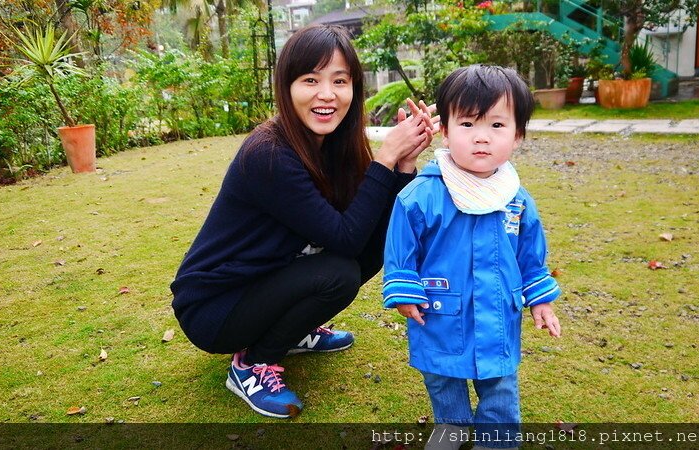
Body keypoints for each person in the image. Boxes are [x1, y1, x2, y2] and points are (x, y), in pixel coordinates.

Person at [170, 24, 436, 419]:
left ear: (354, 89)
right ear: (286, 86)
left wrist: (404, 164)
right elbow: (343, 240)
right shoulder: (269, 153)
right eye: (311, 79)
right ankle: (251, 365)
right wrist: (384, 160)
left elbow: (370, 227)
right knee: (340, 271)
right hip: (214, 307)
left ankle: (292, 330)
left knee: (375, 248)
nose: (326, 94)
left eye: (339, 81)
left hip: (266, 277)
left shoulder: (333, 145)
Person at [382, 65, 562, 450]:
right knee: (443, 379)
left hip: (498, 315)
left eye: (497, 126)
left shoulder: (516, 198)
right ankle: (452, 428)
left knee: (499, 385)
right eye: (467, 124)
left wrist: (541, 299)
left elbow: (531, 257)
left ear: (518, 135)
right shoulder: (421, 195)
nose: (481, 138)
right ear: (445, 131)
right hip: (439, 312)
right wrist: (404, 290)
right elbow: (401, 251)